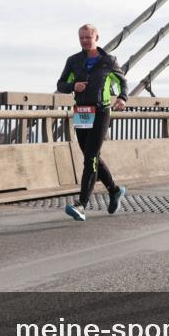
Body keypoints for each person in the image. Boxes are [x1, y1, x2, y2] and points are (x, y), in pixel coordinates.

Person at [56, 23, 129, 221]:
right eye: (81, 38)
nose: (84, 41)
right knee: (92, 155)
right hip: (81, 112)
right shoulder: (73, 61)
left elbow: (123, 82)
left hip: (101, 111)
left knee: (90, 158)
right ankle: (114, 190)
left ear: (97, 37)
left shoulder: (108, 60)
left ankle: (81, 205)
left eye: (88, 37)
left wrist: (122, 98)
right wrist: (73, 86)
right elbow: (61, 85)